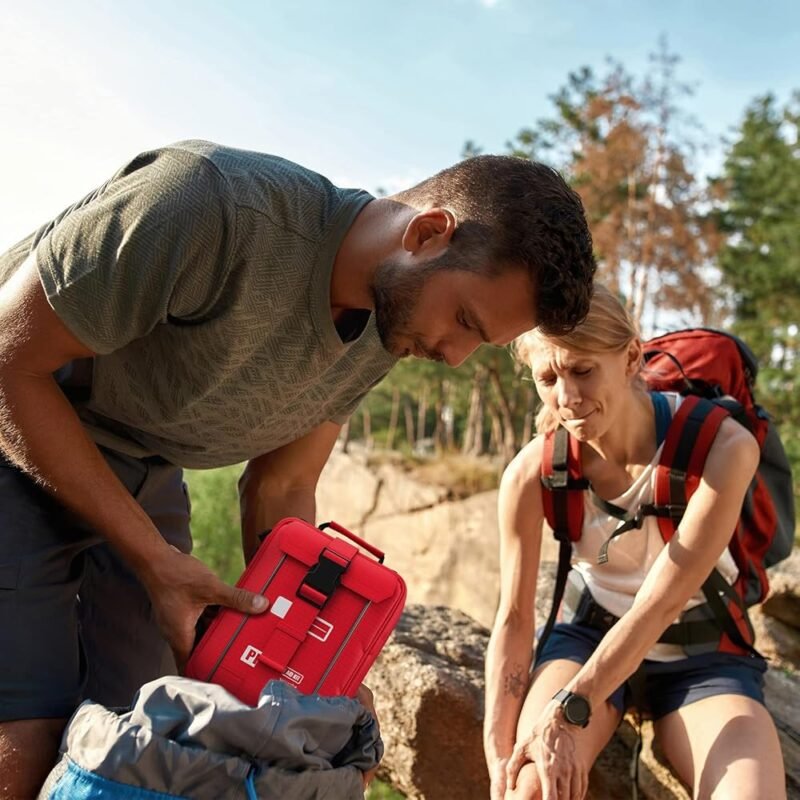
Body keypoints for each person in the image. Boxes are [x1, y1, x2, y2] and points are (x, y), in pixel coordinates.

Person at [0, 139, 596, 797]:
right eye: (463, 320)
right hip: (21, 422)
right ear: (428, 233)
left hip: (144, 466)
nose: (454, 357)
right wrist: (154, 560)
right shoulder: (210, 204)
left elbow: (284, 484)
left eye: (478, 342)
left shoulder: (388, 323)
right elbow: (8, 359)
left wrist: (319, 677)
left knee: (140, 749)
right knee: (28, 742)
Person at [483, 284, 786, 800]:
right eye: (548, 378)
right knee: (530, 790)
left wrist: (566, 711)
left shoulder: (722, 447)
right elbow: (513, 617)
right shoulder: (532, 472)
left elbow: (663, 600)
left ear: (629, 357)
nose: (568, 398)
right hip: (587, 638)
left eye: (582, 371)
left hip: (702, 649)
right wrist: (499, 755)